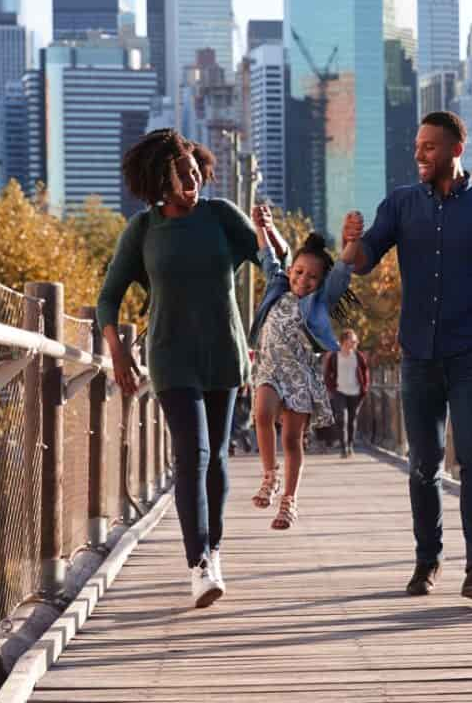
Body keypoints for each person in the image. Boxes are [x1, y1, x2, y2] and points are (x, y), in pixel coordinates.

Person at [342, 110, 472, 603]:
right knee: (423, 463)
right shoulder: (400, 205)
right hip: (419, 356)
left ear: (456, 149)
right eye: (416, 147)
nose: (419, 155)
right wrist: (349, 245)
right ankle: (427, 560)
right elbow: (364, 261)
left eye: (429, 146)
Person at [97, 128, 258, 609]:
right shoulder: (143, 230)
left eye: (194, 171)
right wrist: (119, 353)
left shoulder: (221, 216)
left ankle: (215, 547)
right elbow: (108, 298)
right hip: (171, 355)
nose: (192, 181)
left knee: (217, 461)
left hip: (223, 352)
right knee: (194, 454)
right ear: (159, 182)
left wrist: (286, 263)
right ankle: (199, 564)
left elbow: (272, 261)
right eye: (181, 175)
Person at [246, 205, 360, 529]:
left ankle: (289, 502)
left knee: (292, 440)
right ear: (291, 269)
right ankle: (270, 476)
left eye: (312, 277)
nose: (302, 280)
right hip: (270, 368)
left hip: (300, 374)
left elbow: (341, 271)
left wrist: (351, 240)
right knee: (262, 414)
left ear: (320, 282)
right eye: (298, 272)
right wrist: (262, 226)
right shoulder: (277, 286)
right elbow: (268, 255)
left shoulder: (319, 302)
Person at [323, 330, 371, 458]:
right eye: (353, 341)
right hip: (339, 391)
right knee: (341, 418)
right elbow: (327, 374)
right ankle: (344, 448)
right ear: (344, 341)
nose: (356, 343)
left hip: (355, 392)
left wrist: (364, 388)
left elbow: (365, 372)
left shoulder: (358, 356)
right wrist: (331, 388)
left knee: (352, 419)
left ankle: (350, 445)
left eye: (356, 341)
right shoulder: (334, 356)